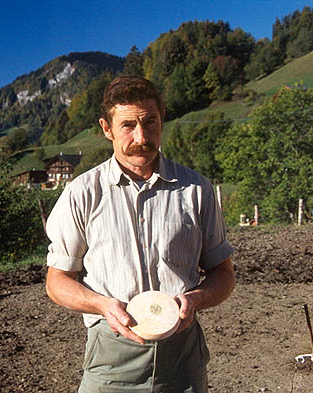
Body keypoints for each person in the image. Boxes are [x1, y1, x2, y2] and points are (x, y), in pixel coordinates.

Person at [45, 75, 235, 392]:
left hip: (182, 360)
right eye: (128, 125)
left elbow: (223, 274)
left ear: (162, 121)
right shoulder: (82, 193)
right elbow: (57, 281)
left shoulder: (196, 189)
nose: (141, 136)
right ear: (107, 128)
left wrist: (195, 298)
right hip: (111, 357)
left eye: (150, 122)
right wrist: (102, 305)